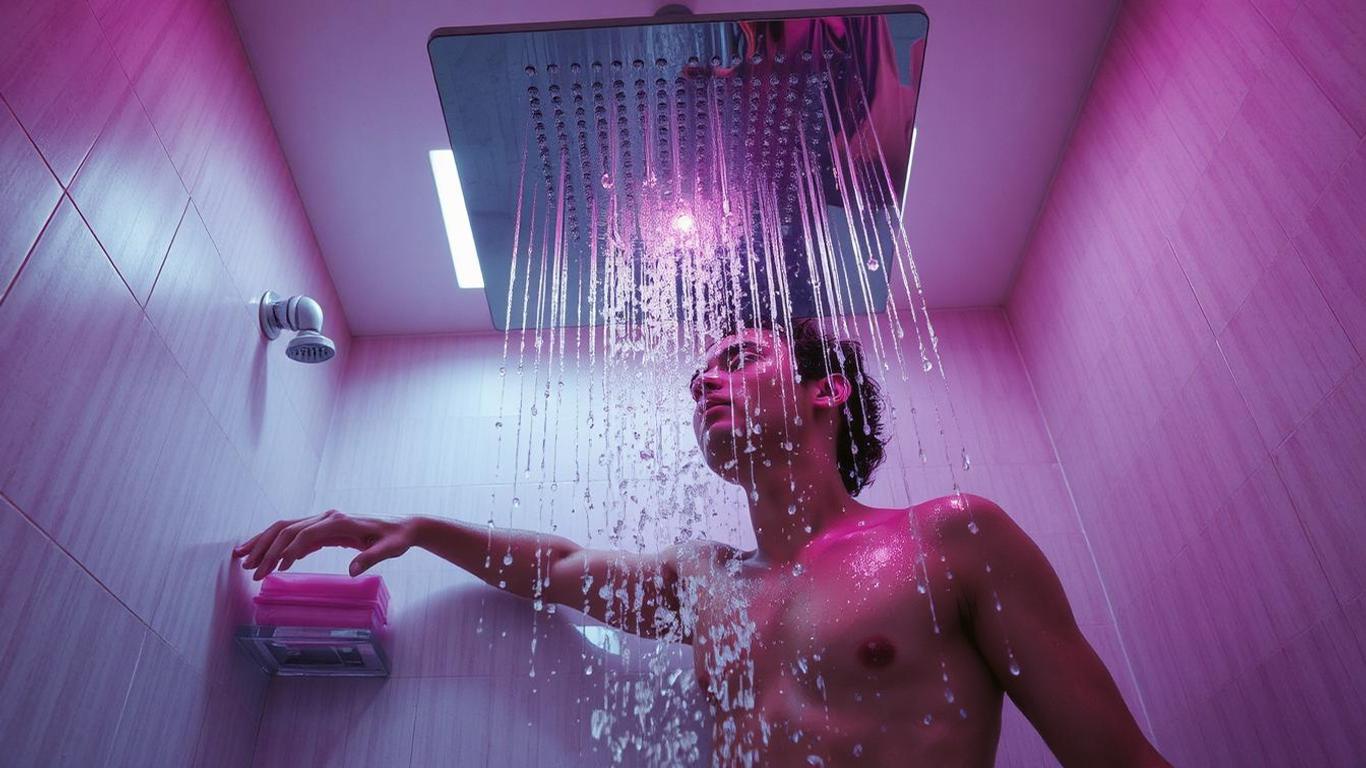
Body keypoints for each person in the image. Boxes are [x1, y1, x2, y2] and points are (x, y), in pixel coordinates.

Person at [234, 318, 1170, 767]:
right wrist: (414, 528)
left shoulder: (953, 541)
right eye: (696, 379)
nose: (702, 384)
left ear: (825, 393)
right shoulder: (710, 583)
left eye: (737, 361)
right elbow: (558, 568)